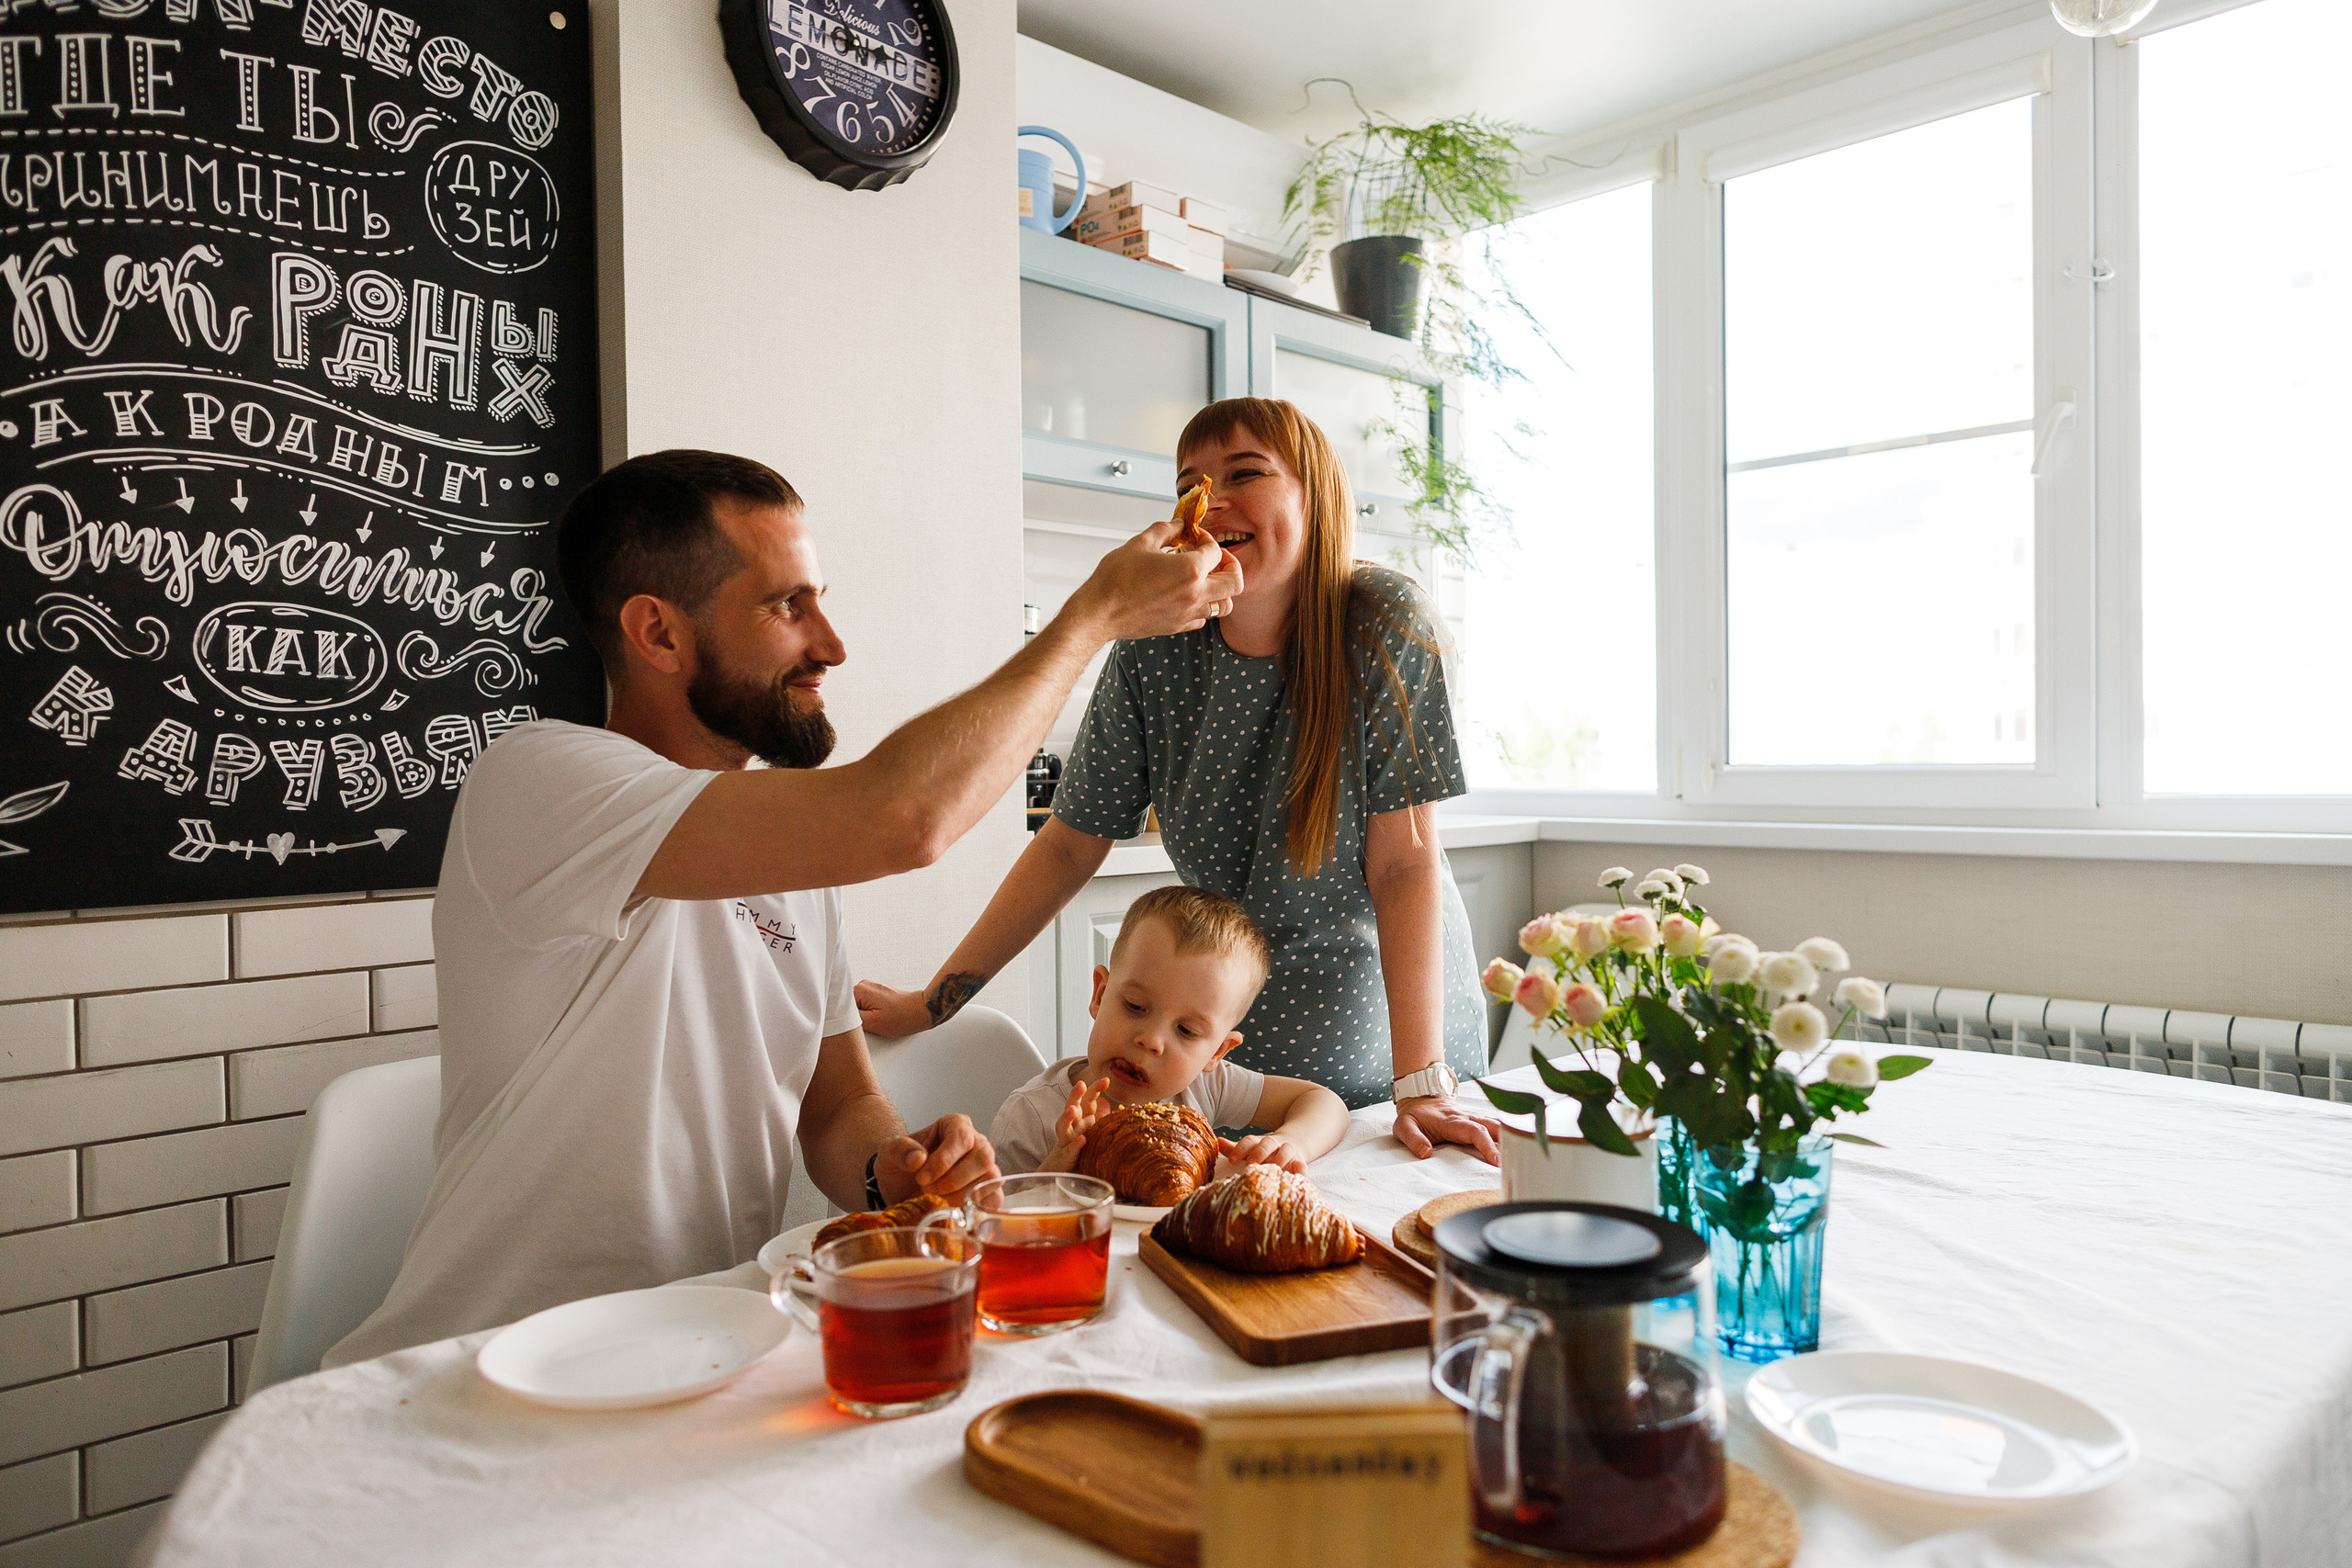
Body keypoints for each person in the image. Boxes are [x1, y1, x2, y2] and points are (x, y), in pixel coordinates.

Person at [324, 449, 1240, 1364]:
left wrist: (900, 1168)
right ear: (660, 634)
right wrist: (1093, 619)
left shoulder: (791, 854)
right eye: (785, 606)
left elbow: (835, 1105)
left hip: (710, 1340)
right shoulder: (538, 782)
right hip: (493, 1358)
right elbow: (904, 820)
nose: (830, 645)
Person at [861, 399, 1500, 1163]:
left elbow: (1402, 865)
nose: (1210, 499)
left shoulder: (1386, 621)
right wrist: (933, 1003)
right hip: (1224, 1063)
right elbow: (1067, 847)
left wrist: (1420, 1081)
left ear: (1316, 497)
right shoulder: (1153, 647)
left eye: (1245, 473)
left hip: (1390, 1060)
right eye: (1190, 481)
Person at [991, 886, 1349, 1178]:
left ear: (1216, 1053)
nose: (1151, 1040)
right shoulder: (1031, 1115)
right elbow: (999, 1225)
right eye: (1135, 1006)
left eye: (1187, 1031)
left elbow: (1326, 1104)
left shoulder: (1205, 1087)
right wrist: (1062, 1162)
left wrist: (1292, 1142)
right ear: (1100, 993)